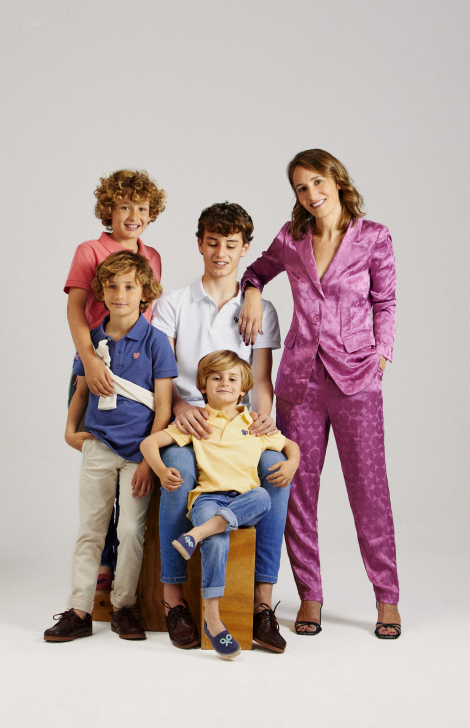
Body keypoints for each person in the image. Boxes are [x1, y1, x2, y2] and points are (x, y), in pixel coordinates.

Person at [238, 149, 401, 639]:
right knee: (297, 490)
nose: (311, 194)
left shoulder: (374, 237)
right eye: (301, 188)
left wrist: (381, 354)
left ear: (336, 179)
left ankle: (387, 597)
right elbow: (256, 271)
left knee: (369, 491)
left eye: (317, 182)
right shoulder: (293, 237)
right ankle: (310, 594)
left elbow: (385, 300)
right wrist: (252, 292)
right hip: (300, 382)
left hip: (356, 380)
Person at [151, 202, 291, 653]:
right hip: (188, 418)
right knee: (178, 472)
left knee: (276, 472)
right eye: (212, 243)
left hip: (238, 421)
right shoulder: (173, 303)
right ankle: (174, 599)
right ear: (199, 244)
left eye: (231, 245)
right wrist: (178, 407)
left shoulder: (262, 309)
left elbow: (261, 380)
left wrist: (264, 420)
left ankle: (262, 602)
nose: (221, 253)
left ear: (245, 248)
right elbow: (163, 374)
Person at [44, 251, 177, 642]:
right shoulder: (92, 340)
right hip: (99, 446)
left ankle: (123, 607)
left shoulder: (156, 342)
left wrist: (149, 461)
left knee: (131, 530)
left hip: (138, 454)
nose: (120, 294)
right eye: (112, 286)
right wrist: (69, 431)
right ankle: (79, 610)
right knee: (91, 529)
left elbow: (164, 407)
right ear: (100, 292)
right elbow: (81, 390)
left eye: (130, 287)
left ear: (145, 292)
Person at [141, 351, 300, 658]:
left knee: (263, 496)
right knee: (216, 543)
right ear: (202, 387)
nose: (224, 383)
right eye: (216, 378)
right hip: (207, 499)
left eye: (232, 379)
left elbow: (290, 446)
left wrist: (292, 463)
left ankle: (196, 534)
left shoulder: (253, 424)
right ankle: (213, 622)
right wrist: (160, 470)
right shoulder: (198, 422)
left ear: (243, 390)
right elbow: (149, 443)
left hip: (244, 502)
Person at [64, 169, 166, 589]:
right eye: (124, 206)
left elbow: (148, 313)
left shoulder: (152, 256)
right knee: (101, 469)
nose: (133, 215)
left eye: (141, 208)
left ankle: (128, 573)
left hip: (138, 379)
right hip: (94, 370)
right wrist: (90, 361)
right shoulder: (89, 250)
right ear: (108, 210)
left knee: (133, 475)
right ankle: (103, 569)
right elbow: (75, 309)